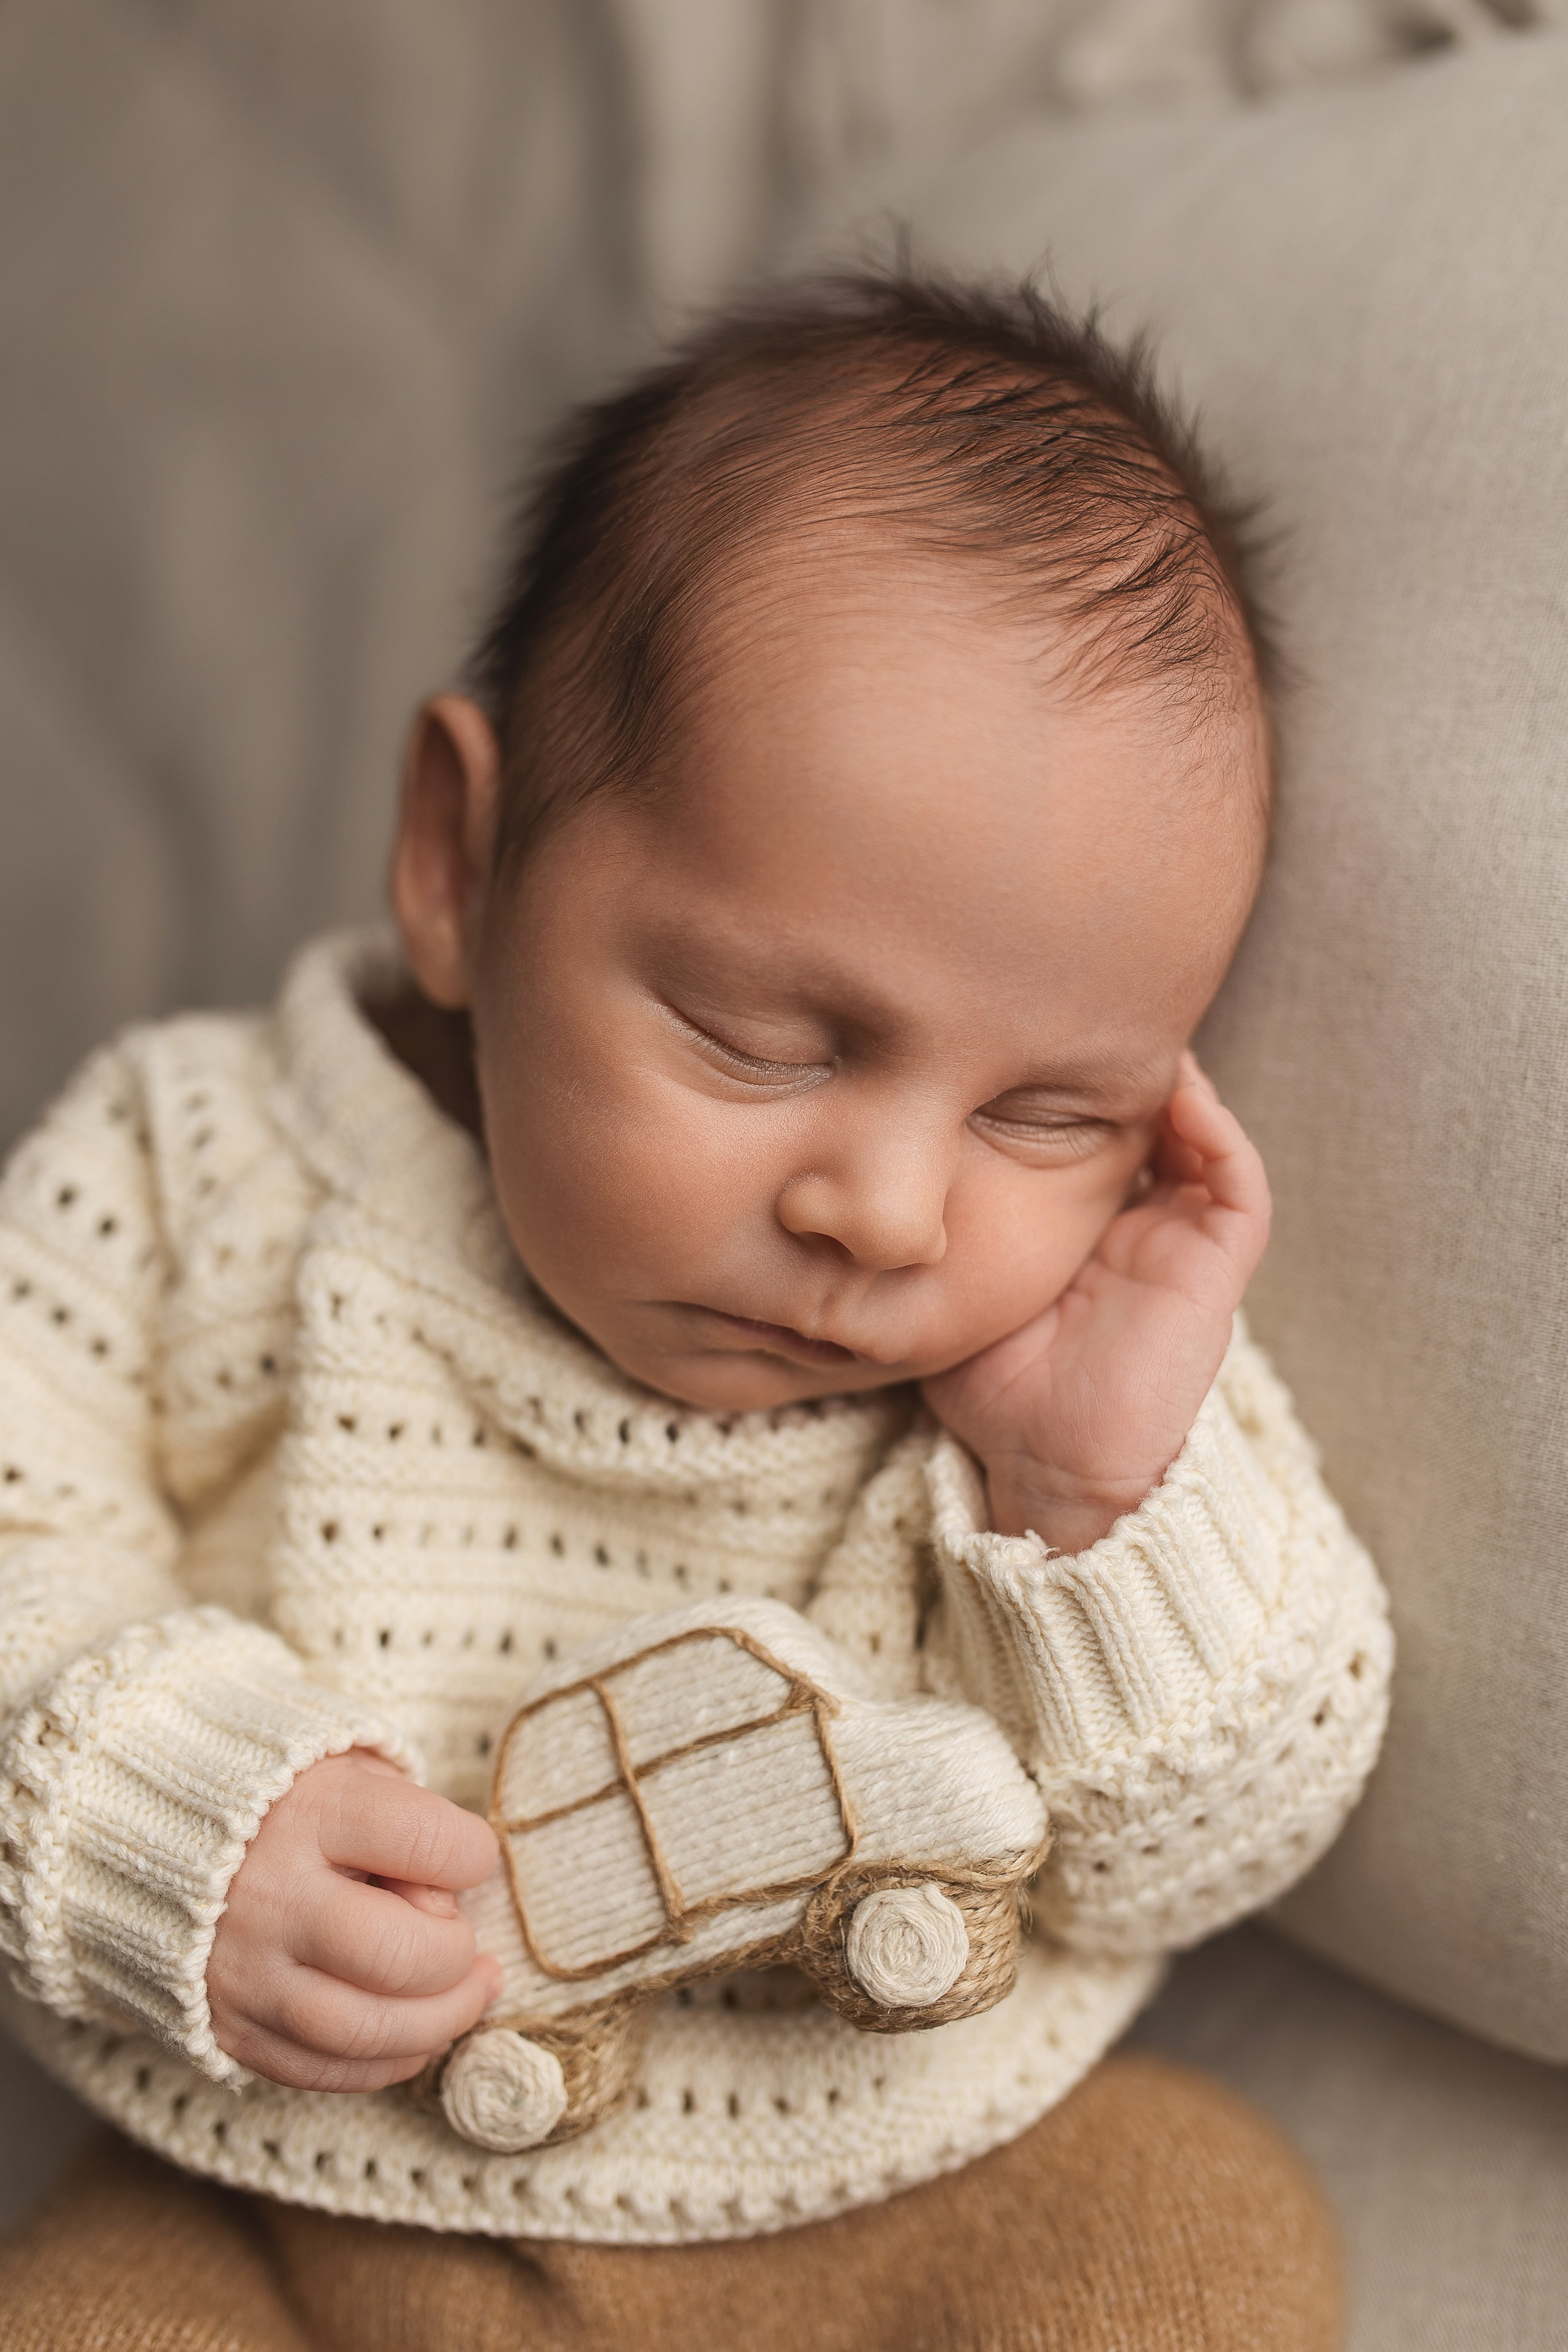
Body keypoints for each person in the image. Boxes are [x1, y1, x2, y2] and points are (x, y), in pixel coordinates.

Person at [0, 270, 1390, 2350]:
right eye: (763, 1038)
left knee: (1195, 2235)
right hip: (272, 2201)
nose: (891, 1215)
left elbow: (1199, 1853)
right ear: (460, 862)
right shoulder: (200, 1163)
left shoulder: (1067, 1376)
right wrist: (156, 1811)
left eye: (1046, 1112)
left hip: (904, 2183)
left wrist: (1097, 1504)